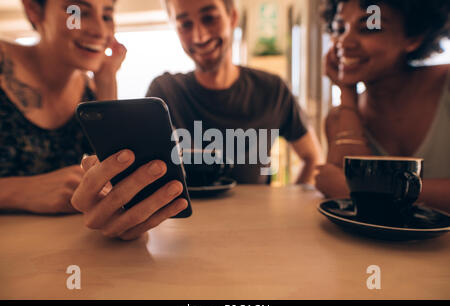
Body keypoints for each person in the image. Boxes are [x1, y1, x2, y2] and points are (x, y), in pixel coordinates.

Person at [146, 0, 322, 184]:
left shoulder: (272, 90)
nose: (200, 36)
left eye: (209, 18)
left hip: (255, 213)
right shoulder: (164, 93)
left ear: (232, 18)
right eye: (185, 24)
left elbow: (313, 158)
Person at [316, 0, 450, 212]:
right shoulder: (338, 119)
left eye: (368, 28)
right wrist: (346, 93)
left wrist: (372, 190)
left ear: (413, 37)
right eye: (340, 29)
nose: (345, 42)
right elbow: (346, 204)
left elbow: (349, 189)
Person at [0, 0, 126, 214]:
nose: (99, 30)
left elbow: (114, 175)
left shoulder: (92, 91)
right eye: (78, 13)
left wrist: (106, 82)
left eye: (106, 16)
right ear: (34, 10)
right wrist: (19, 191)